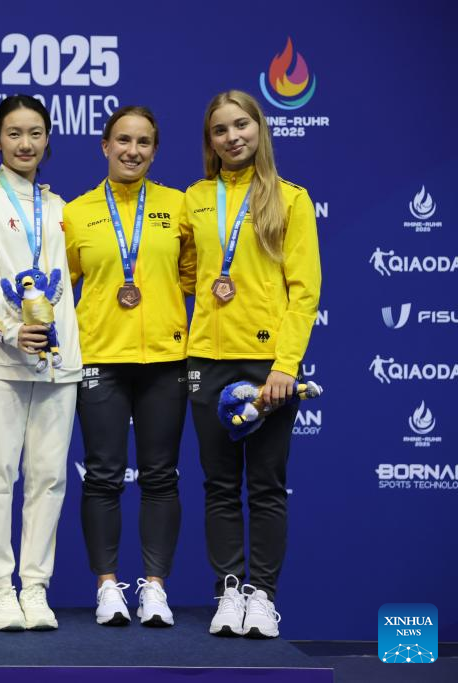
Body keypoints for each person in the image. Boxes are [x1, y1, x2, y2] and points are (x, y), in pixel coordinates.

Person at [180, 90, 321, 639]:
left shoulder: (291, 199)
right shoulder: (194, 198)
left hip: (268, 364)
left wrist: (286, 365)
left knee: (265, 485)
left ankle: (262, 596)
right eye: (220, 129)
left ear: (260, 129)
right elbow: (184, 273)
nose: (232, 136)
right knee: (219, 485)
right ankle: (229, 592)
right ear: (210, 141)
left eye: (241, 125)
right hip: (206, 358)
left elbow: (304, 291)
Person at [0, 95, 82, 631]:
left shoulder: (61, 207)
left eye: (35, 133)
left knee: (49, 477)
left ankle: (35, 586)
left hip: (59, 360)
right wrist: (13, 330)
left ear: (48, 138)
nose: (25, 144)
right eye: (14, 133)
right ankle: (0, 590)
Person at [63, 105, 190, 628]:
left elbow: (193, 276)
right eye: (123, 140)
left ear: (155, 151)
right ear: (105, 145)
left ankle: (155, 589)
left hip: (166, 358)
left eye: (143, 142)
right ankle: (108, 587)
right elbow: (58, 285)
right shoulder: (76, 212)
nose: (132, 151)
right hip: (100, 357)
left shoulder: (179, 206)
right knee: (103, 475)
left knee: (161, 476)